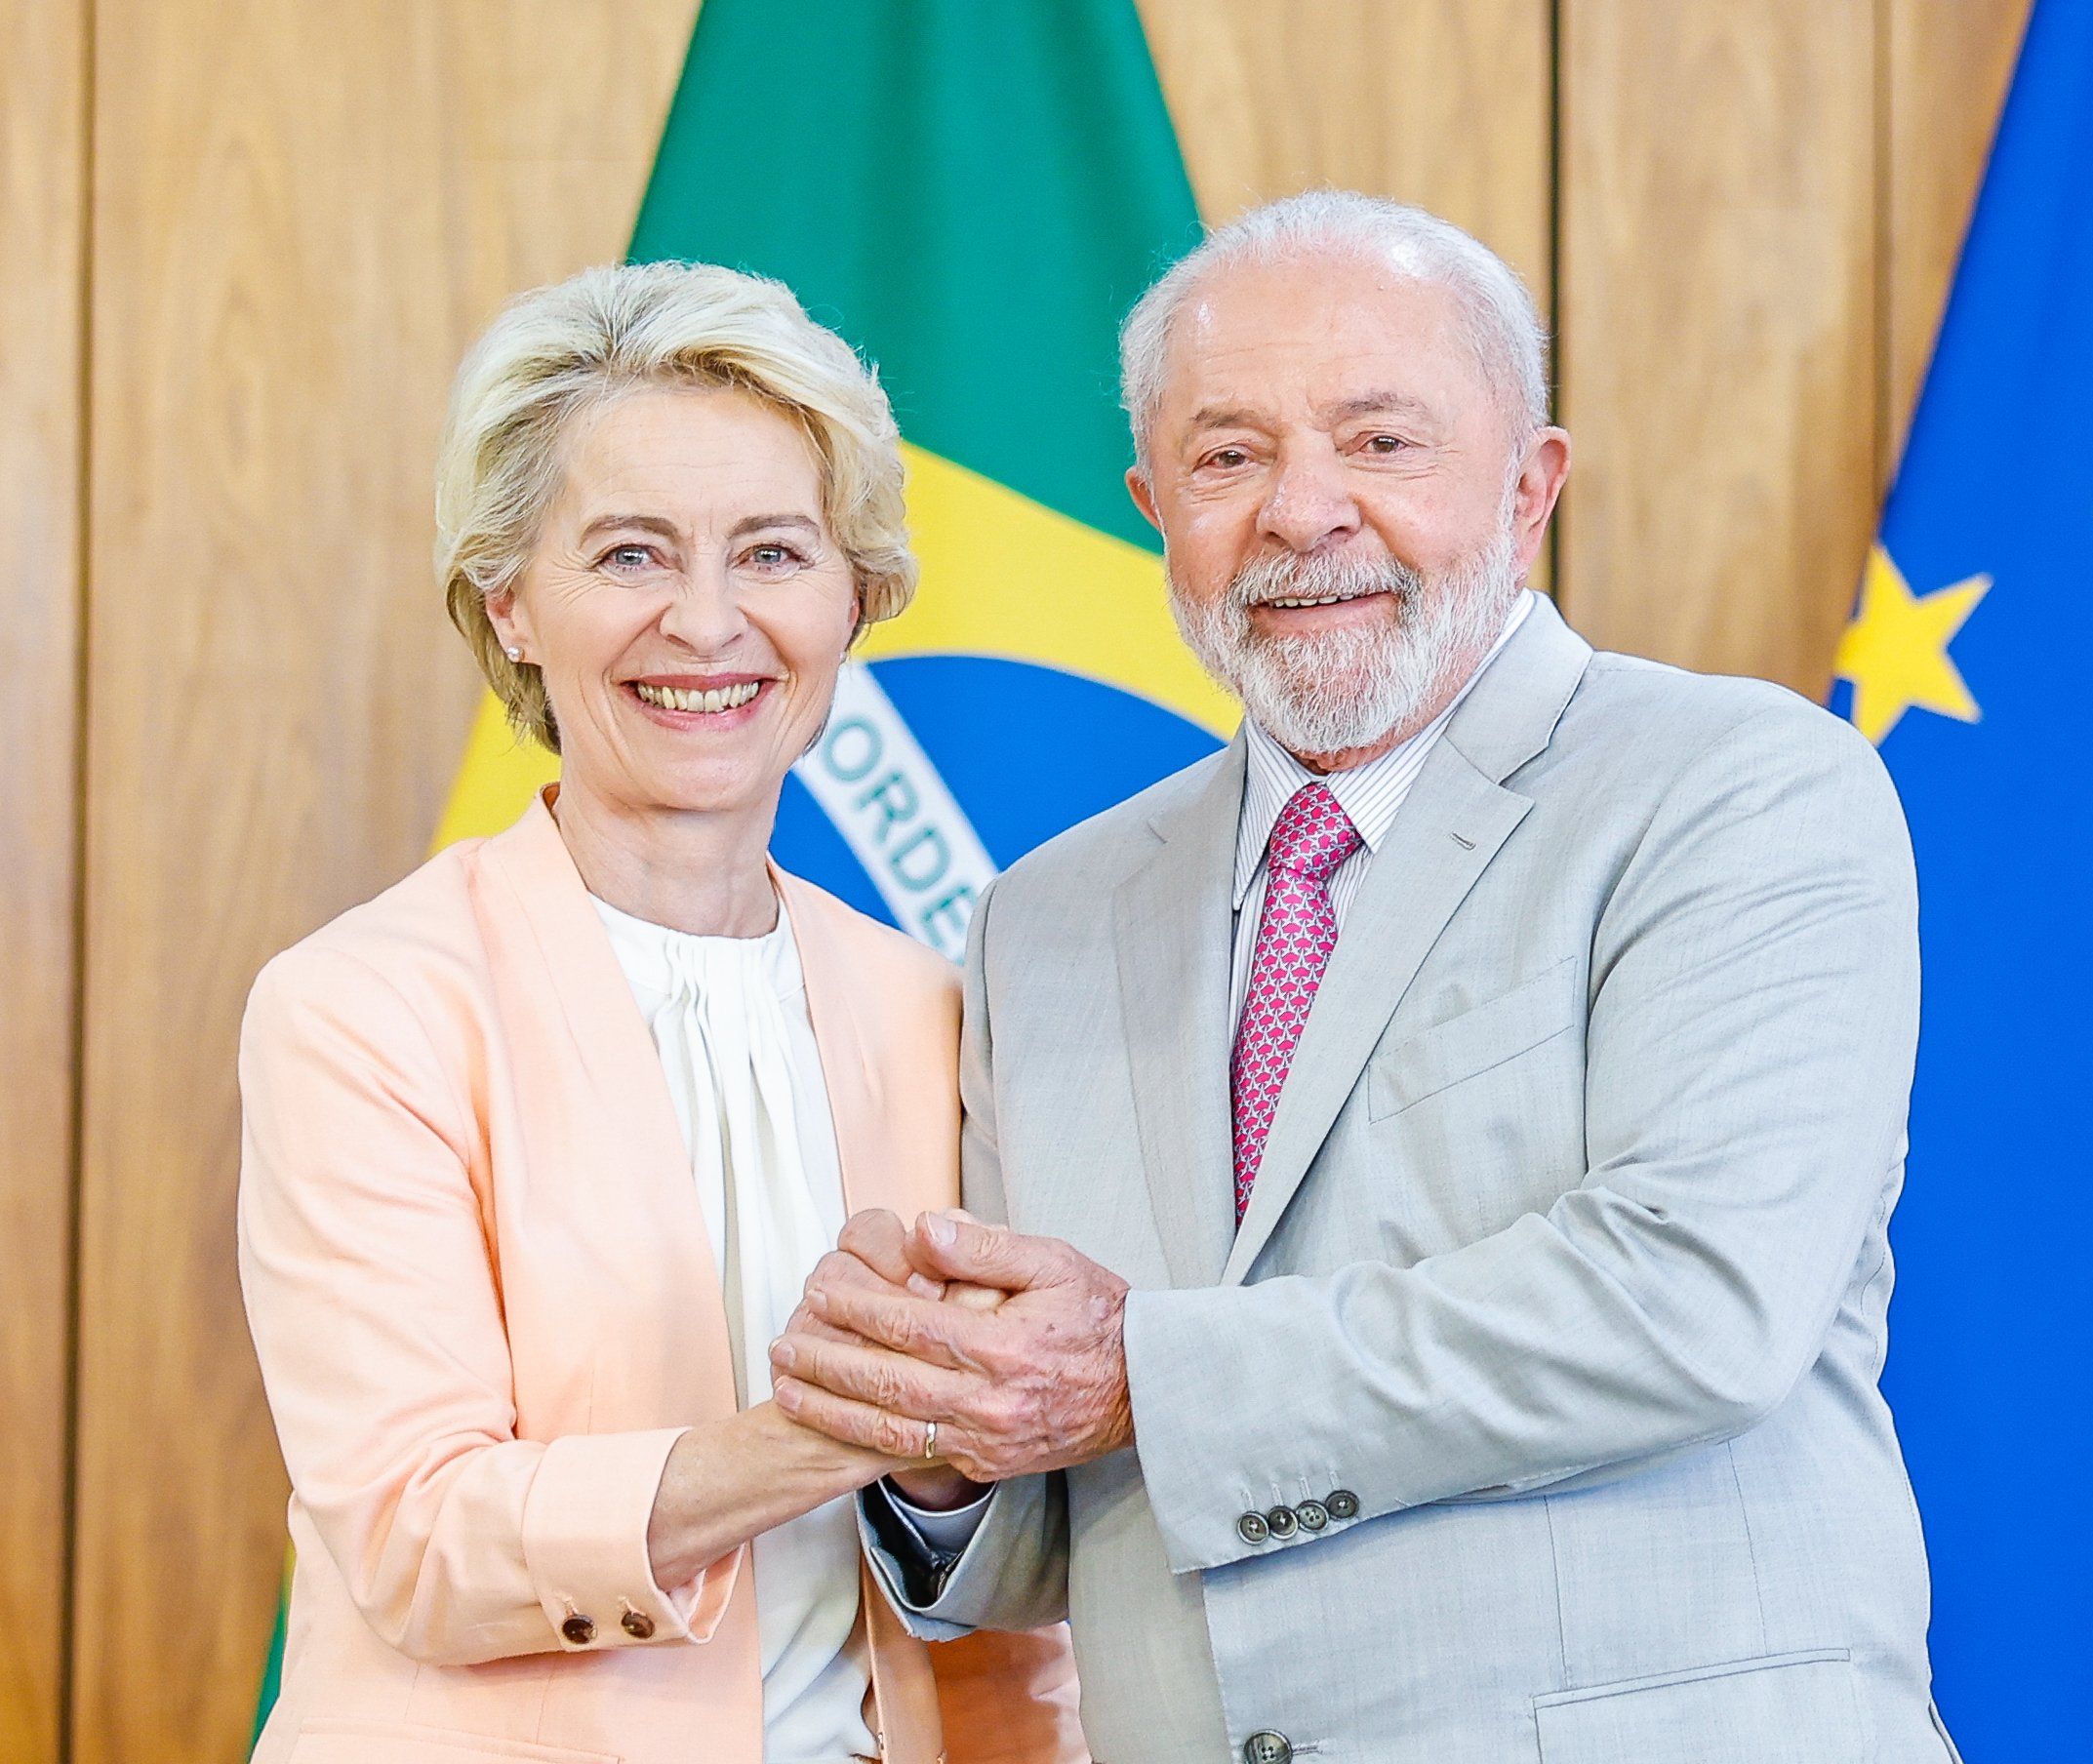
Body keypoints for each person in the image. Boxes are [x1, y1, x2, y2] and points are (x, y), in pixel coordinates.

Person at [770, 192, 1961, 1763]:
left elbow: (1696, 1301)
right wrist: (941, 1441)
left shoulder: (1739, 790)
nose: (1301, 511)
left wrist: (1134, 1373)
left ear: (1531, 488)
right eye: (1227, 456)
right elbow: (1074, 1522)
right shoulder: (1045, 919)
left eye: (1382, 442)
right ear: (1152, 507)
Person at [236, 261, 1079, 1764]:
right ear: (510, 600)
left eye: (773, 552)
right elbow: (421, 1533)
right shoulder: (362, 1009)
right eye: (630, 555)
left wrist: (952, 1470)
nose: (709, 623)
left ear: (854, 599)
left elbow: (997, 1544)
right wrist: (824, 1433)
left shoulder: (932, 1005)